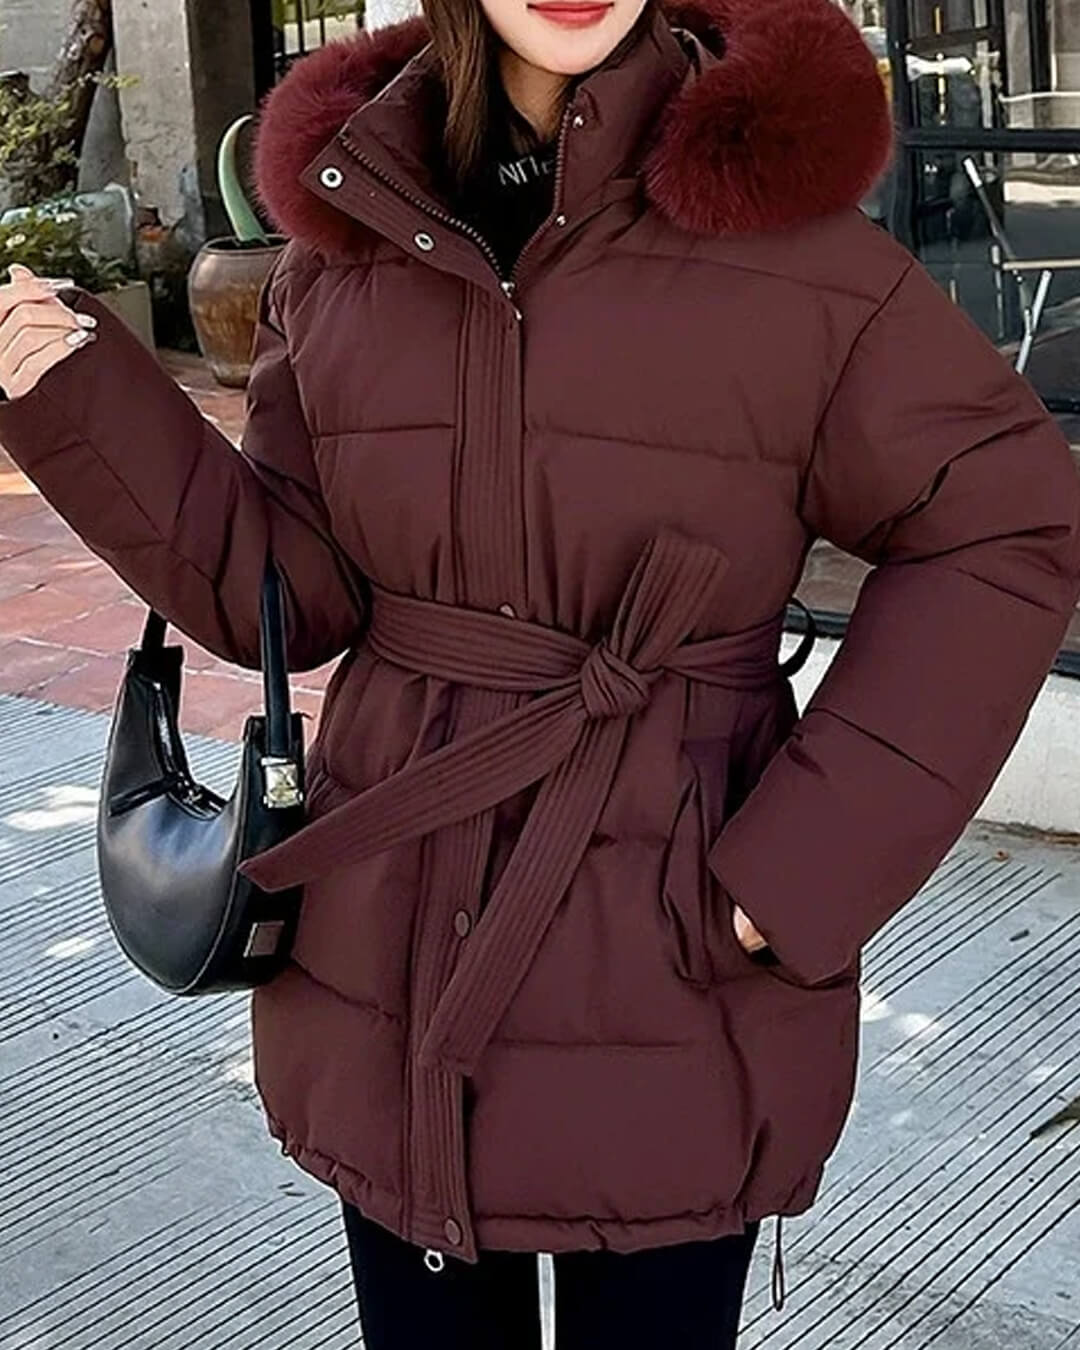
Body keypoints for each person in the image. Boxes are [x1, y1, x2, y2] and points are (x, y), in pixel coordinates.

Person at [1, 0, 1078, 1344]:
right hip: (395, 945)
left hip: (669, 952)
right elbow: (292, 595)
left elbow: (1003, 521)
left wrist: (805, 869)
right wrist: (76, 395)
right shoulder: (349, 233)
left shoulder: (792, 247)